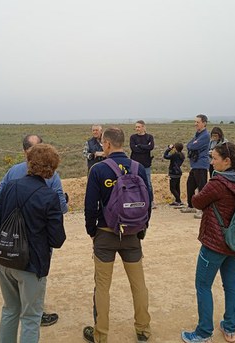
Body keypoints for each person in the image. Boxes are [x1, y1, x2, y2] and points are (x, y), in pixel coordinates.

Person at [181, 143, 235, 343]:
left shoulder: (218, 182)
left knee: (203, 285)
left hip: (214, 243)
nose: (211, 161)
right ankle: (230, 328)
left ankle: (203, 332)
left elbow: (197, 202)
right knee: (230, 284)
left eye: (215, 158)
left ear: (227, 161)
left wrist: (195, 195)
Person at [0, 144, 66, 343]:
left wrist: (8, 243)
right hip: (32, 265)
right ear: (52, 168)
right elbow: (57, 240)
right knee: (31, 317)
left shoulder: (10, 186)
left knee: (10, 310)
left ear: (29, 163)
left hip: (4, 260)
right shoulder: (49, 197)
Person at [83, 127, 152, 343]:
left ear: (107, 144)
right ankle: (143, 330)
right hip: (132, 234)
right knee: (138, 284)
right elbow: (149, 201)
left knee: (102, 286)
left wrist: (92, 231)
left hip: (105, 233)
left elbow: (90, 206)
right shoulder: (138, 167)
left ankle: (101, 335)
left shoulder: (98, 169)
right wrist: (142, 229)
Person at [182, 114, 210, 219]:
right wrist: (191, 145)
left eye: (197, 122)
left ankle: (202, 210)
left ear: (204, 123)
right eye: (195, 122)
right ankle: (191, 205)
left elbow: (193, 146)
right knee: (190, 185)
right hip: (194, 165)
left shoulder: (205, 135)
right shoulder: (198, 134)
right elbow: (189, 144)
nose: (195, 124)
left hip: (201, 165)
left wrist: (192, 145)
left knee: (201, 188)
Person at [130, 120, 155, 207]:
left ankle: (150, 201)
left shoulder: (149, 137)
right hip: (135, 164)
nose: (137, 129)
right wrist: (145, 147)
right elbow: (133, 148)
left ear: (143, 127)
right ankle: (136, 200)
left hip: (146, 164)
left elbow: (151, 147)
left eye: (139, 127)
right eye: (136, 127)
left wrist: (140, 146)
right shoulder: (133, 137)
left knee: (148, 183)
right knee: (134, 182)